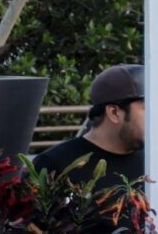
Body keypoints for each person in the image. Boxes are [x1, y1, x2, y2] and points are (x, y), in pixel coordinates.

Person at [32, 63, 146, 191]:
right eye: (148, 108)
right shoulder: (53, 166)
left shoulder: (156, 161)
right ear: (114, 112)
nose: (157, 119)